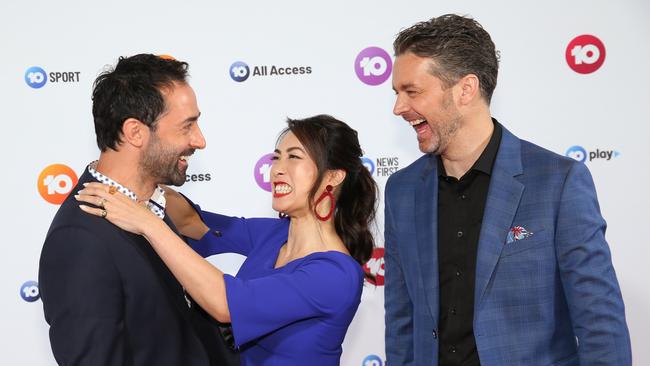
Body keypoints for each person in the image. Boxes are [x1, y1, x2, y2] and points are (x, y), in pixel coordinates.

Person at [384, 14, 632, 366]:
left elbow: (600, 326)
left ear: (465, 89)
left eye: (412, 91)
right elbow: (401, 323)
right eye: (397, 93)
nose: (398, 108)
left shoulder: (557, 182)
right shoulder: (402, 191)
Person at [75, 114, 378, 365]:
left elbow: (224, 303)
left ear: (333, 177)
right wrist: (139, 173)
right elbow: (193, 221)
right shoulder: (273, 234)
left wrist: (147, 223)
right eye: (277, 157)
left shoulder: (335, 274)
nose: (277, 170)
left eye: (294, 158)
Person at [39, 54, 239, 366]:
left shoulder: (152, 207)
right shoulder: (80, 238)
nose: (200, 141)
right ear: (135, 132)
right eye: (187, 126)